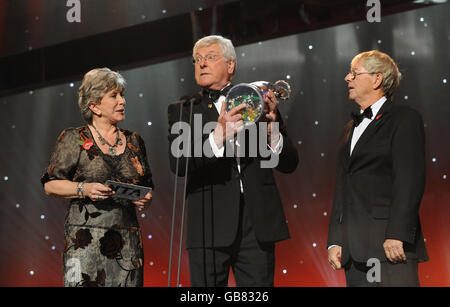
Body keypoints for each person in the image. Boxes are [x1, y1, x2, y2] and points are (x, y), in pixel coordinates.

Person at [167, 35, 299, 286]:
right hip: (208, 222)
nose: (202, 64)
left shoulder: (255, 103)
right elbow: (178, 163)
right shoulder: (184, 108)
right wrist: (218, 136)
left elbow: (289, 163)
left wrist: (272, 128)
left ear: (230, 66)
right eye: (197, 59)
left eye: (210, 57)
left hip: (256, 223)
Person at [41, 68, 154, 287]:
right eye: (114, 96)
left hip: (127, 245)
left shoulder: (134, 141)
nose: (122, 101)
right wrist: (84, 188)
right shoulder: (74, 138)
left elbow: (147, 187)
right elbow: (50, 184)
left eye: (122, 95)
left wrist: (145, 200)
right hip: (85, 243)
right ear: (94, 106)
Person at [327, 50, 428, 286]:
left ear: (377, 79)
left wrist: (397, 233)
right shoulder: (348, 129)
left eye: (354, 73)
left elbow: (409, 180)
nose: (347, 78)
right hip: (352, 252)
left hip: (390, 248)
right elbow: (342, 187)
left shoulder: (404, 119)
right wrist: (334, 240)